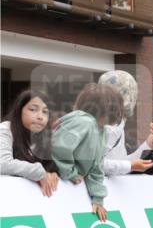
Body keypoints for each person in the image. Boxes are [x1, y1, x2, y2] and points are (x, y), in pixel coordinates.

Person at [51, 83, 124, 221]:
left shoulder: (102, 130)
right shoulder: (83, 122)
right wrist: (71, 173)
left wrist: (98, 198)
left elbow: (96, 166)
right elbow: (59, 147)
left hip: (65, 185)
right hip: (53, 180)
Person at [97, 70, 153, 177]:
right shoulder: (109, 127)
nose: (133, 99)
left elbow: (121, 162)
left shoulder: (117, 123)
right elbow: (95, 165)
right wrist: (130, 165)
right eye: (129, 92)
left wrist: (149, 143)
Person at [0, 89, 60, 196]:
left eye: (45, 112)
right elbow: (2, 164)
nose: (40, 117)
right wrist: (39, 172)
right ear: (19, 110)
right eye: (33, 109)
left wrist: (52, 174)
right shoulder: (5, 129)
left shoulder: (44, 138)